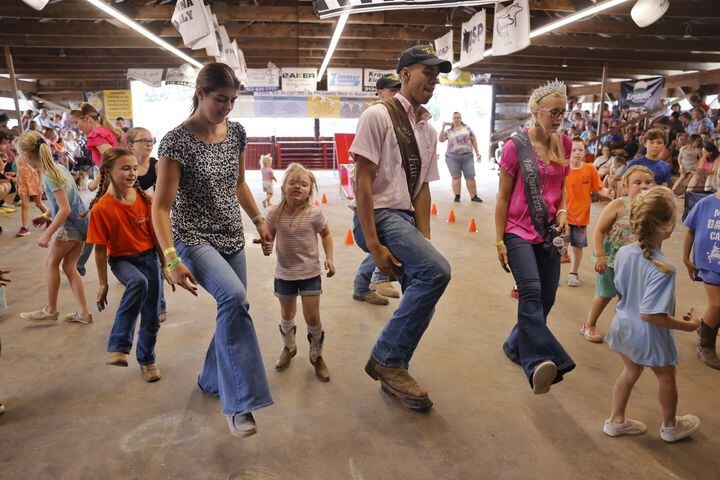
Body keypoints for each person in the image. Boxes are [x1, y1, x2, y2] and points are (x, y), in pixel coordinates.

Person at [153, 62, 273, 438]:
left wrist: (259, 220)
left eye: (232, 100)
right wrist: (170, 258)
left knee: (234, 309)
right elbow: (160, 207)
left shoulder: (236, 133)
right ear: (200, 93)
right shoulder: (176, 141)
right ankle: (239, 404)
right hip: (193, 238)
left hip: (231, 236)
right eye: (221, 99)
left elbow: (239, 185)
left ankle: (209, 378)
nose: (227, 107)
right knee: (234, 298)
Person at [351, 45, 452, 410]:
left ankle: (395, 373)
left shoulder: (428, 128)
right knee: (438, 272)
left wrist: (423, 239)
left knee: (425, 292)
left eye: (437, 76)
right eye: (428, 72)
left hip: (404, 219)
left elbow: (423, 187)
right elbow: (363, 182)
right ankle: (386, 360)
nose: (434, 81)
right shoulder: (378, 116)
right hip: (379, 217)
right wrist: (375, 245)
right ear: (406, 73)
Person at [495, 79, 576, 395]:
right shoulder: (515, 147)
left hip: (550, 232)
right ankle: (539, 363)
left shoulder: (564, 144)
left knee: (547, 299)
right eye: (554, 112)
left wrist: (564, 211)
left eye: (563, 113)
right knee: (530, 291)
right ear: (536, 112)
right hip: (517, 230)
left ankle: (515, 345)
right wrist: (499, 240)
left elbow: (562, 188)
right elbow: (502, 196)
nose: (559, 118)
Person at [603, 186, 701, 443]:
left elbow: (622, 292)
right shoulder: (664, 267)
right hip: (649, 335)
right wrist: (688, 326)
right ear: (666, 226)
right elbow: (651, 315)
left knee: (630, 372)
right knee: (666, 376)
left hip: (624, 325)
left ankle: (616, 421)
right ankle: (670, 427)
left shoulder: (624, 252)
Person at [86, 148, 168, 382]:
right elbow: (100, 250)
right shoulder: (102, 209)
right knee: (138, 282)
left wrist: (165, 266)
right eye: (125, 168)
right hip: (121, 260)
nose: (132, 173)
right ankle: (119, 346)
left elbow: (158, 238)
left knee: (152, 316)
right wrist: (103, 284)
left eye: (134, 168)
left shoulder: (147, 201)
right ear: (108, 171)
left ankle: (147, 359)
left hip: (150, 258)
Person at [265, 164, 335, 381]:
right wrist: (266, 245)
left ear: (310, 190)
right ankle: (289, 347)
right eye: (292, 182)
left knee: (312, 317)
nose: (298, 187)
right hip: (284, 273)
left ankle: (317, 356)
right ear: (283, 186)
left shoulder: (314, 213)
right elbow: (269, 236)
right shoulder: (274, 213)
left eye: (303, 184)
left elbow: (327, 235)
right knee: (287, 314)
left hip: (310, 273)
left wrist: (329, 258)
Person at [17, 131, 92, 324]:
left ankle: (51, 310)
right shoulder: (59, 168)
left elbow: (65, 209)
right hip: (82, 224)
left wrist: (48, 234)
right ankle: (84, 313)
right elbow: (62, 202)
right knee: (69, 267)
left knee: (50, 263)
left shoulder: (49, 175)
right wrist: (45, 215)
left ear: (26, 155)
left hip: (70, 227)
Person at [581, 166, 654, 342]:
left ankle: (621, 328)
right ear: (626, 185)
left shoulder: (652, 209)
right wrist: (600, 256)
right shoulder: (619, 204)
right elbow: (599, 231)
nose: (643, 186)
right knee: (605, 293)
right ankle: (589, 324)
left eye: (648, 182)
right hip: (610, 261)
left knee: (627, 298)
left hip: (635, 262)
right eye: (637, 182)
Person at [352, 73, 404, 306]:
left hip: (395, 197)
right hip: (378, 199)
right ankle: (379, 278)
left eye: (399, 90)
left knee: (383, 247)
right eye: (392, 90)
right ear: (380, 93)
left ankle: (363, 286)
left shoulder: (404, 121)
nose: (397, 94)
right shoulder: (374, 116)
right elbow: (362, 173)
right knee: (385, 245)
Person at [71, 103, 123, 276]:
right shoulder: (106, 131)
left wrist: (97, 180)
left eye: (76, 122)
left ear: (86, 118)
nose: (76, 127)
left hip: (110, 183)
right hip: (112, 183)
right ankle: (81, 262)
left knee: (96, 223)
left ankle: (80, 262)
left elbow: (111, 157)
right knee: (101, 223)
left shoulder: (97, 134)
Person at [127, 127, 167, 323]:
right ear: (130, 145)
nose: (149, 143)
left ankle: (159, 305)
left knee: (156, 264)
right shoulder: (124, 164)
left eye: (151, 139)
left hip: (151, 221)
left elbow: (163, 196)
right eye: (143, 140)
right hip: (129, 222)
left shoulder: (156, 165)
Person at [682, 164, 720, 370]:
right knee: (716, 304)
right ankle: (706, 345)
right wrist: (685, 258)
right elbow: (690, 230)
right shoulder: (706, 203)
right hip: (709, 263)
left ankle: (705, 326)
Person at [565, 138, 613, 287]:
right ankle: (551, 273)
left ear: (585, 151)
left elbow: (599, 188)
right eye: (574, 150)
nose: (577, 153)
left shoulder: (590, 169)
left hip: (581, 218)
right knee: (559, 246)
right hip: (563, 217)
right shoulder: (563, 169)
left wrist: (608, 193)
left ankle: (573, 273)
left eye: (580, 149)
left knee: (577, 247)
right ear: (568, 152)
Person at [438, 112, 482, 203]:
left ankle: (474, 196)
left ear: (461, 119)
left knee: (470, 176)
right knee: (456, 177)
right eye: (454, 118)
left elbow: (473, 139)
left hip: (467, 157)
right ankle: (457, 196)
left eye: (458, 117)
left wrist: (477, 152)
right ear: (452, 120)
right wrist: (443, 127)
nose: (456, 119)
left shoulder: (467, 128)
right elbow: (441, 139)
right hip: (452, 158)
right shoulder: (449, 131)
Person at [15, 151, 48, 237]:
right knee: (24, 205)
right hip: (22, 183)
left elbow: (40, 171)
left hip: (34, 182)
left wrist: (40, 184)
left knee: (38, 203)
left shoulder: (33, 155)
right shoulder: (18, 156)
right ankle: (25, 227)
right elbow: (19, 170)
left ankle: (50, 219)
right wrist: (17, 181)